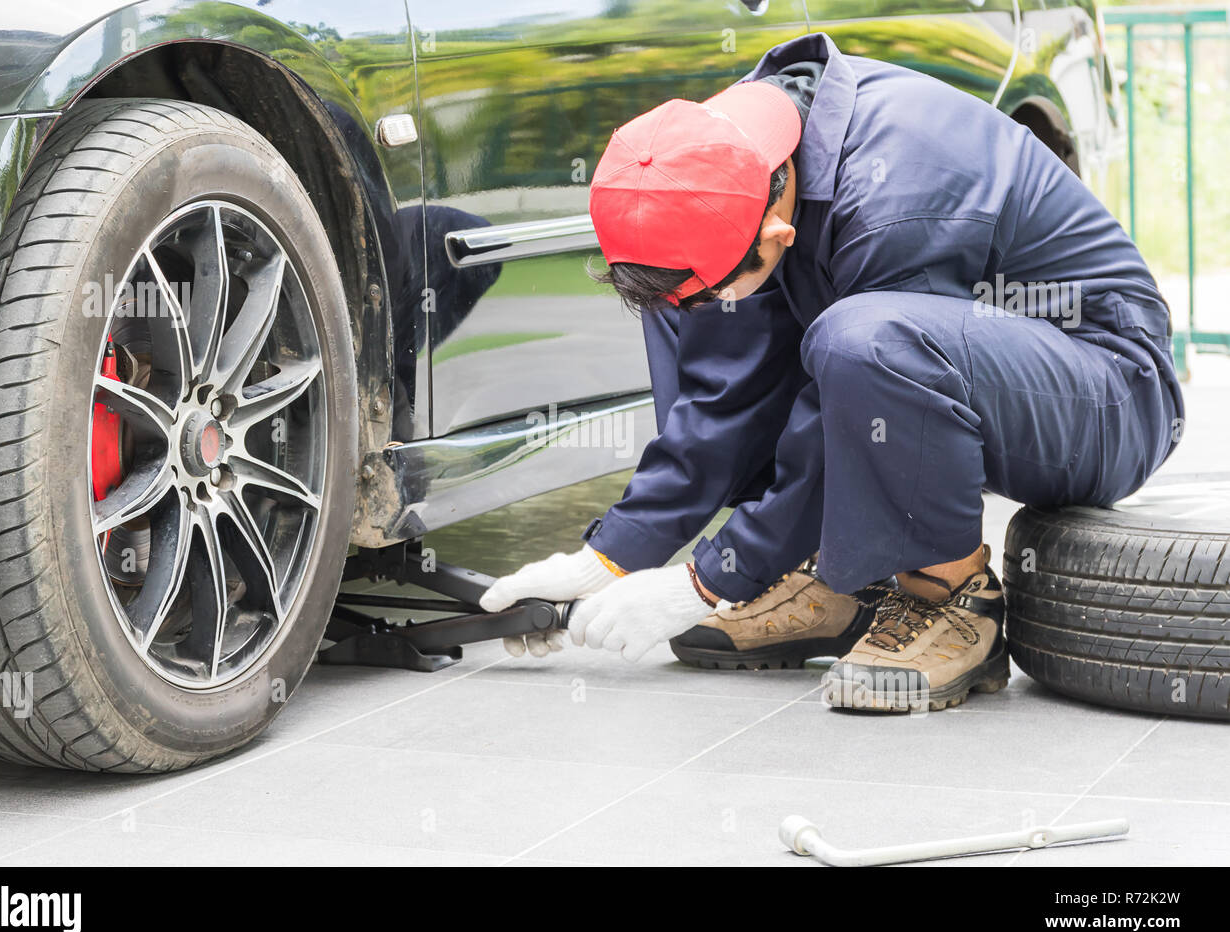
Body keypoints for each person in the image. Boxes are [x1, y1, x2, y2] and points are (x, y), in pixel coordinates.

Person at [479, 32, 1183, 712]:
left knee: (860, 341)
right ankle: (842, 584)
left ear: (777, 231)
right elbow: (730, 395)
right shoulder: (731, 155)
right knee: (699, 305)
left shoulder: (896, 196)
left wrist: (701, 583)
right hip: (975, 363)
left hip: (1108, 391)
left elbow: (844, 418)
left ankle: (951, 597)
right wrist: (605, 560)